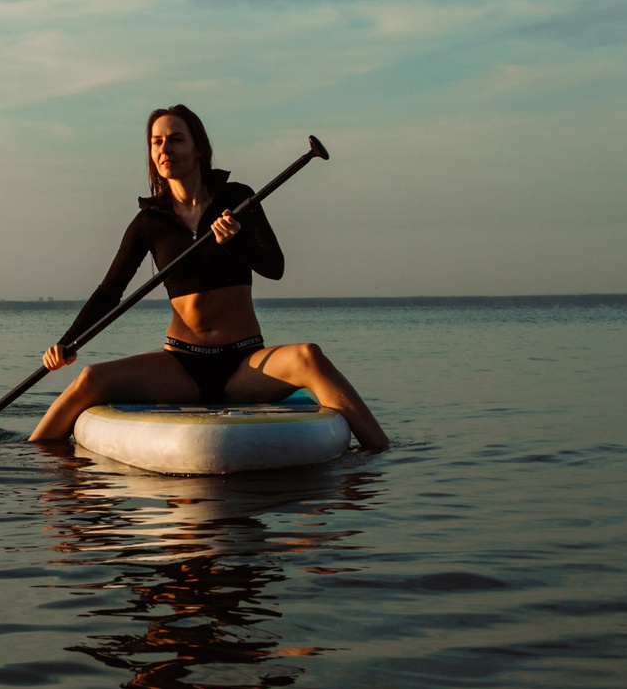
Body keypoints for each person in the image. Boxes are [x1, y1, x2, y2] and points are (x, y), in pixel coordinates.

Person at [28, 104, 390, 452]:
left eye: (176, 139)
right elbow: (110, 292)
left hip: (246, 361)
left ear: (198, 148)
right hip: (182, 365)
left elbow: (275, 267)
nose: (165, 149)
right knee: (90, 379)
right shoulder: (149, 222)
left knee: (310, 356)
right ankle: (33, 460)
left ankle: (380, 453)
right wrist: (66, 343)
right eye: (156, 142)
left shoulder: (238, 198)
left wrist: (236, 242)